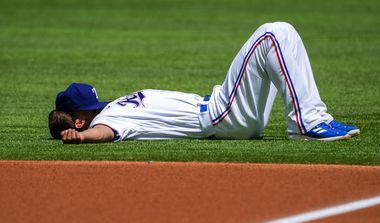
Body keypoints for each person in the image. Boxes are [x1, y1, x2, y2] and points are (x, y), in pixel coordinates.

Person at [49, 22, 360, 144]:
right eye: (93, 107)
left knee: (276, 43)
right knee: (273, 33)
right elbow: (107, 131)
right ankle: (308, 122)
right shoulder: (107, 118)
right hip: (219, 115)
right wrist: (83, 138)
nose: (99, 106)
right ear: (80, 120)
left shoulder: (110, 110)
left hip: (222, 113)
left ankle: (310, 118)